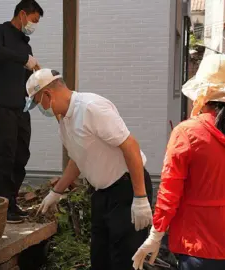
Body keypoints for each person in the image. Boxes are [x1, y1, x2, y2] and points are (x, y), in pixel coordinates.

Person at [132, 53, 225, 270]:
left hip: (200, 251)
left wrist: (155, 236)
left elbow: (169, 192)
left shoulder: (187, 132)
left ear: (202, 94)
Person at [26, 69, 153, 270]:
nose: (41, 109)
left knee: (124, 261)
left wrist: (140, 198)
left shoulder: (91, 108)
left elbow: (130, 146)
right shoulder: (64, 121)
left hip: (126, 189)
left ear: (48, 95)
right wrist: (56, 191)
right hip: (101, 194)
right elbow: (76, 160)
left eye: (38, 102)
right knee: (100, 258)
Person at [0, 0, 44, 224]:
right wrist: (23, 59)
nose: (34, 26)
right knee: (6, 155)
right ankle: (3, 206)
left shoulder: (24, 44)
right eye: (34, 20)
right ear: (22, 14)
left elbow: (28, 77)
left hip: (21, 109)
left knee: (21, 155)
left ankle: (12, 201)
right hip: (0, 107)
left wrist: (39, 87)